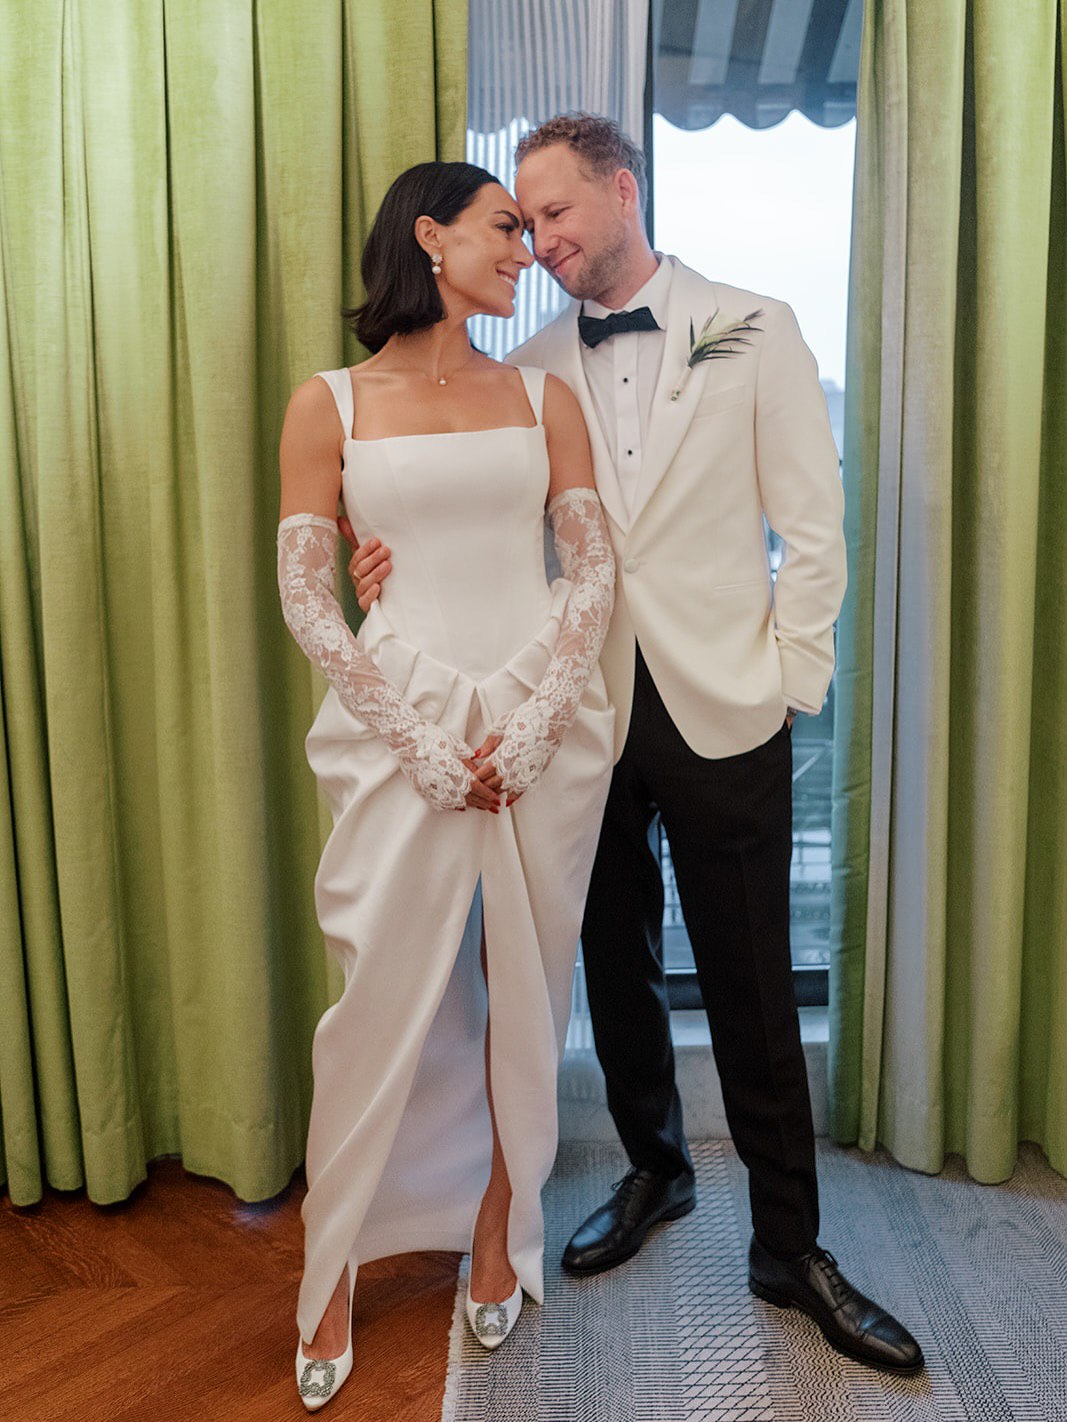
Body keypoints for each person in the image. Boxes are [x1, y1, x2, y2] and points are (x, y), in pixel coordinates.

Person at [350, 115, 924, 1377]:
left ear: (622, 191)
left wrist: (788, 684)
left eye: (555, 214)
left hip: (727, 706)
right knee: (609, 962)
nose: (541, 243)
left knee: (749, 983)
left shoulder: (756, 325)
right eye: (523, 225)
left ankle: (789, 1247)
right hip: (576, 716)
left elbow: (811, 526)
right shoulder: (526, 367)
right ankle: (654, 1169)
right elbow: (488, 532)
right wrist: (383, 563)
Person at [277, 159, 616, 1409]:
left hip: (537, 714)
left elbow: (591, 571)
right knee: (380, 1001)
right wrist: (417, 742)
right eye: (503, 227)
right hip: (396, 714)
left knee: (524, 983)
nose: (524, 250)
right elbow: (307, 596)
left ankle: (495, 1231)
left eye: (530, 229)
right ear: (429, 237)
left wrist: (533, 724)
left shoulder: (541, 398)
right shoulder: (327, 402)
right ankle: (328, 1270)